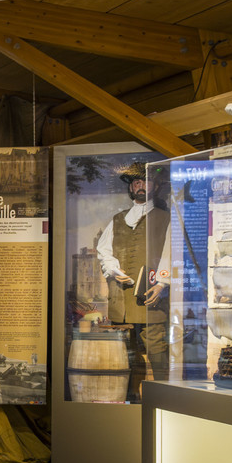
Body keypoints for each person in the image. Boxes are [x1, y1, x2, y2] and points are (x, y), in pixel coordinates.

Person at [94, 161, 169, 397]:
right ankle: (125, 397)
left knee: (157, 349)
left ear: (155, 185)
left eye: (144, 180)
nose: (139, 185)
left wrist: (163, 283)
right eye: (135, 181)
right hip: (121, 299)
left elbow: (172, 252)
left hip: (151, 296)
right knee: (124, 353)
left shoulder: (165, 218)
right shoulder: (117, 219)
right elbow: (103, 251)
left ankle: (164, 397)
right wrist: (114, 270)